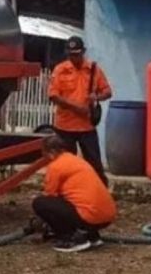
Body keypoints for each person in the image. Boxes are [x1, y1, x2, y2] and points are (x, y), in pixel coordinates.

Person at [31, 135, 117, 253]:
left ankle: (71, 238)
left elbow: (50, 195)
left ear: (51, 152)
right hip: (106, 216)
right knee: (73, 202)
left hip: (89, 216)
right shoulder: (77, 160)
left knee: (40, 203)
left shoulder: (56, 166)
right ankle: (91, 235)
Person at [47, 35, 112, 183]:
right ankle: (68, 194)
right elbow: (53, 96)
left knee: (95, 165)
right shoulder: (60, 70)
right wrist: (76, 108)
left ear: (83, 52)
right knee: (65, 165)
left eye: (77, 54)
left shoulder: (94, 69)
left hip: (86, 127)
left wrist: (96, 97)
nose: (74, 58)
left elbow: (108, 92)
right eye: (71, 55)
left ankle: (101, 192)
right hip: (65, 127)